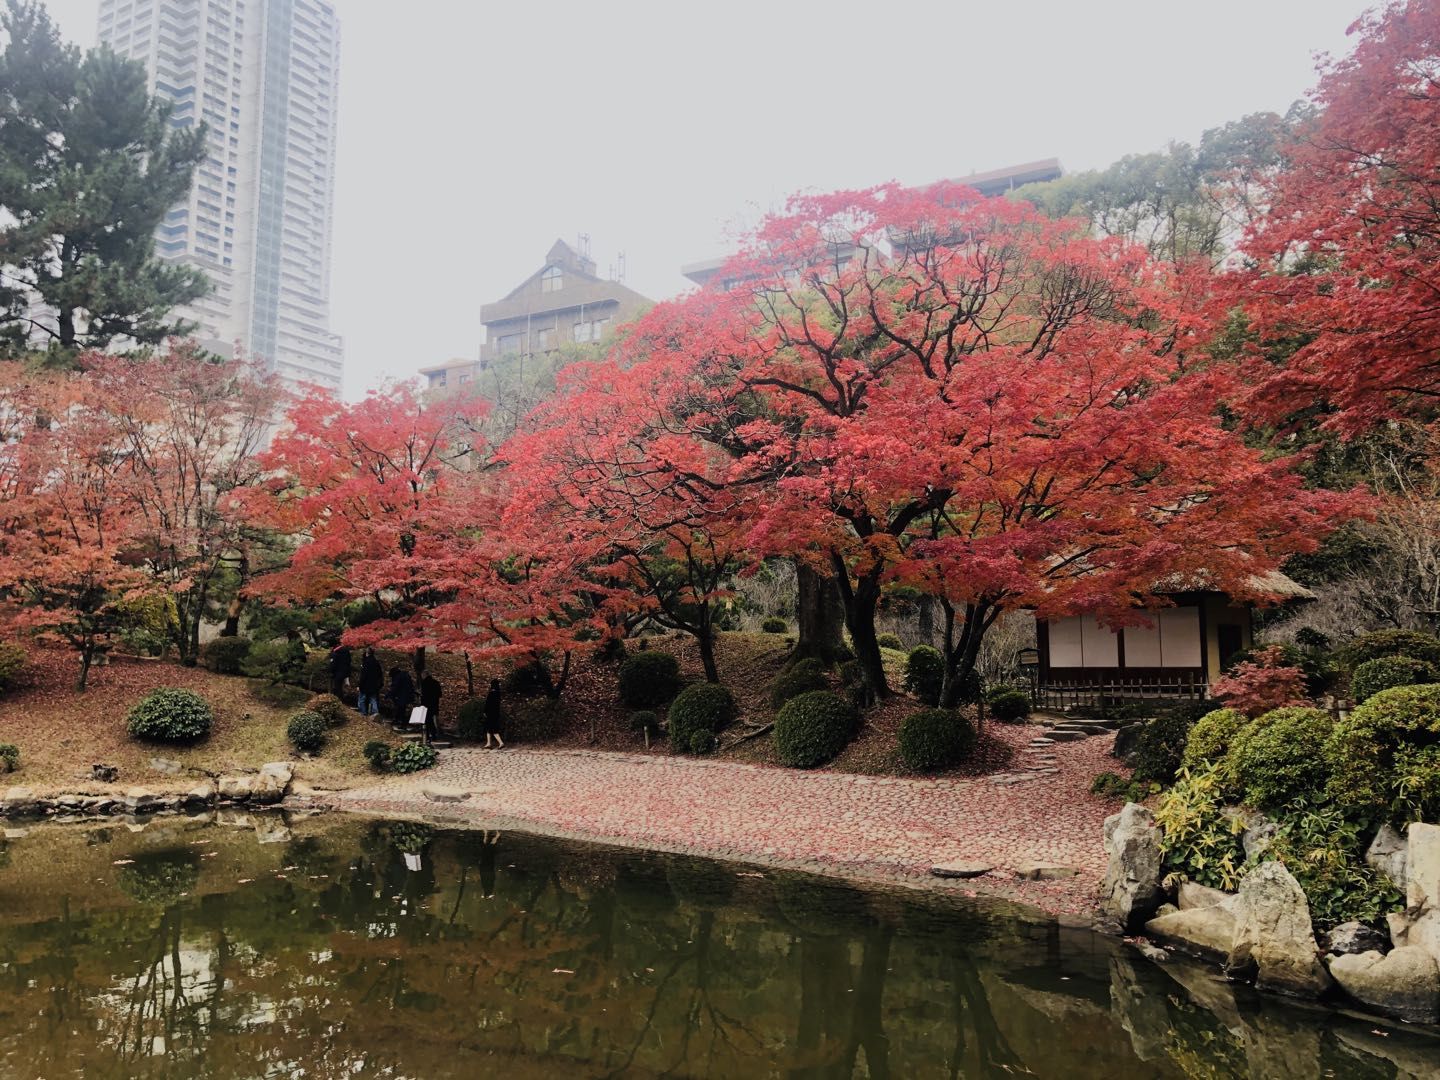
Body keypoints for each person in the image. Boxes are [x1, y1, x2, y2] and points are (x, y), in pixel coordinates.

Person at [357, 646, 383, 716]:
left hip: (365, 684)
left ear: (367, 653)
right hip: (374, 684)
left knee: (362, 698)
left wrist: (359, 685)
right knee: (373, 698)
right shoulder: (376, 662)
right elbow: (380, 674)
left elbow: (363, 675)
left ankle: (363, 712)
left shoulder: (366, 662)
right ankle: (375, 712)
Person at [483, 678, 506, 749]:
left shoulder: (491, 693)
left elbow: (487, 704)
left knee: (491, 729)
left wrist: (485, 711)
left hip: (490, 714)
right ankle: (488, 743)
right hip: (496, 713)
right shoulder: (498, 693)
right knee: (491, 728)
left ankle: (500, 743)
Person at [419, 671, 442, 742]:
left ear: (425, 675)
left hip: (426, 705)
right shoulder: (436, 683)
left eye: (422, 675)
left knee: (427, 721)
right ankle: (433, 735)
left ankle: (428, 736)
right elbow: (440, 694)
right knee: (432, 719)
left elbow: (424, 695)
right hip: (434, 704)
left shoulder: (424, 683)